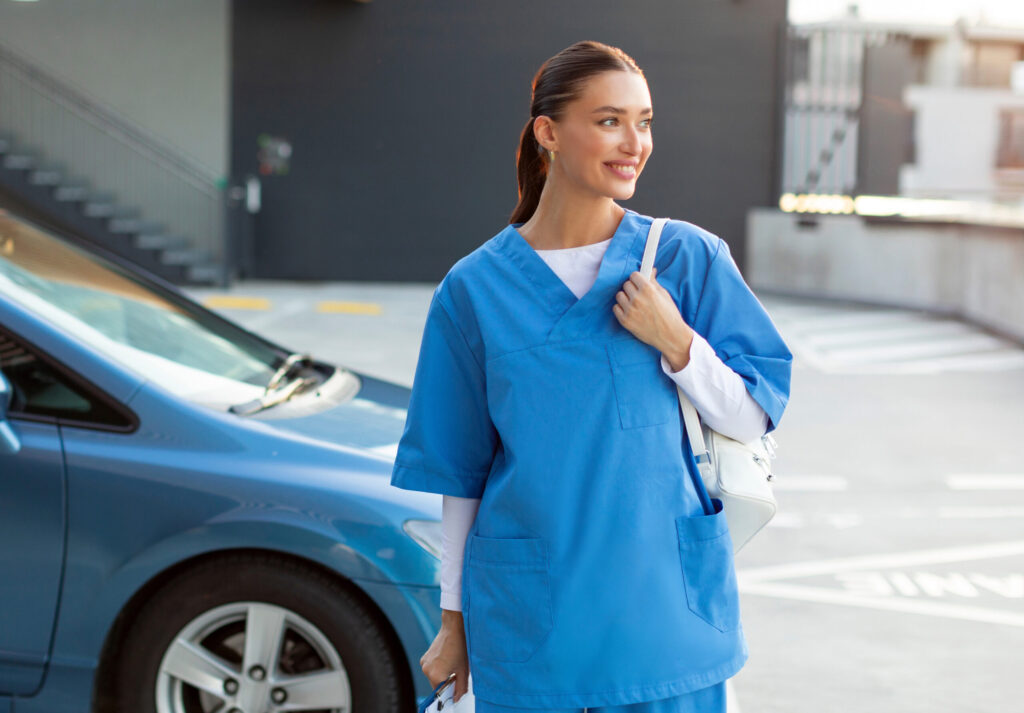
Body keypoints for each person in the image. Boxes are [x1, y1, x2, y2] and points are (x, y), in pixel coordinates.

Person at [390, 40, 792, 713]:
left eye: (645, 121)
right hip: (533, 624)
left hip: (669, 624)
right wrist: (455, 621)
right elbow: (461, 477)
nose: (634, 141)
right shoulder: (473, 290)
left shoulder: (685, 259)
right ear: (549, 132)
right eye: (609, 121)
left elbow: (751, 416)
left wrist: (677, 341)